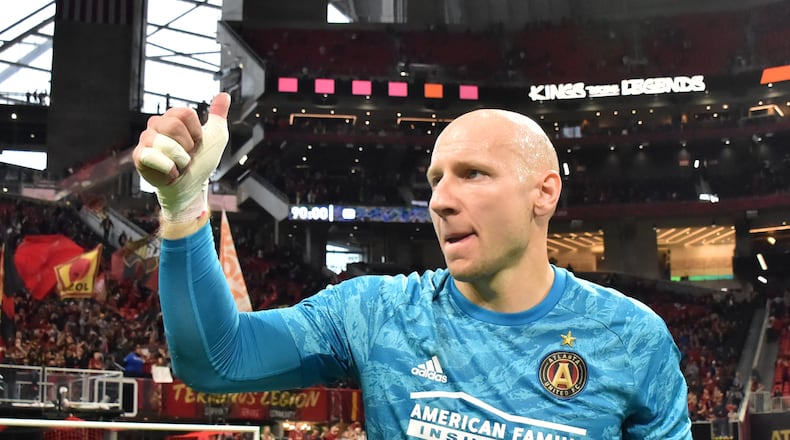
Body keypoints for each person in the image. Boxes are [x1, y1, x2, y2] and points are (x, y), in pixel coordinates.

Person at [133, 93, 692, 439]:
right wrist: (183, 205)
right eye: (435, 180)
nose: (441, 200)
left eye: (472, 173)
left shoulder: (631, 338)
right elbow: (217, 360)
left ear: (544, 193)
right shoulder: (376, 313)